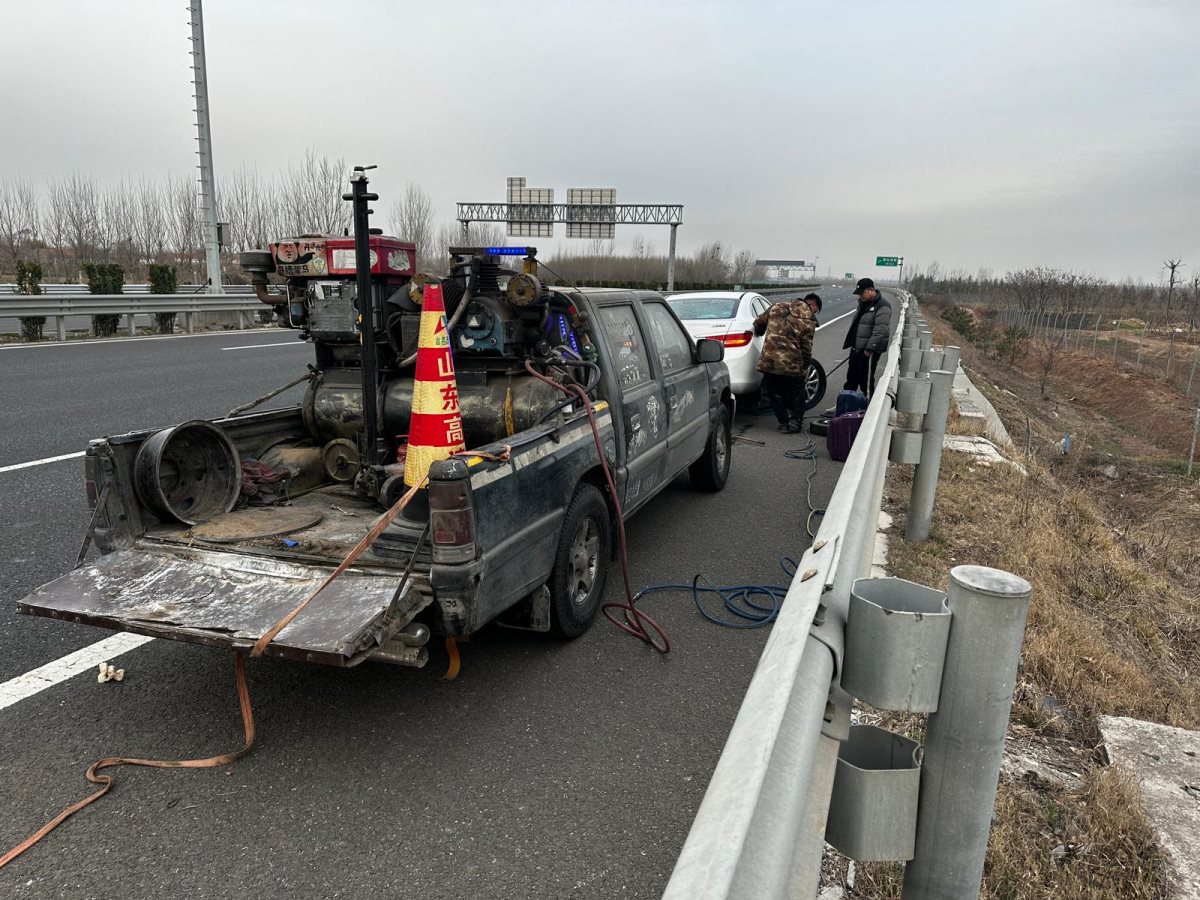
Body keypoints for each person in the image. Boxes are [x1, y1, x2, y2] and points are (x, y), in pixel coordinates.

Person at [753, 292, 821, 432]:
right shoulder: (808, 318)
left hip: (769, 361)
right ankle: (796, 422)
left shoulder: (776, 307)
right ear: (813, 305)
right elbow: (806, 347)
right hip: (792, 363)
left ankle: (783, 422)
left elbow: (758, 323)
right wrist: (805, 367)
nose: (815, 313)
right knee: (798, 391)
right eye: (816, 310)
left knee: (774, 392)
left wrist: (761, 332)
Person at [843, 278, 892, 397]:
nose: (860, 296)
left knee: (866, 381)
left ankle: (870, 408)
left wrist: (868, 350)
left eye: (862, 293)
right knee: (851, 379)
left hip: (868, 351)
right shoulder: (863, 304)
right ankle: (845, 405)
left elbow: (880, 331)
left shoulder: (882, 306)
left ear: (871, 290)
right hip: (856, 348)